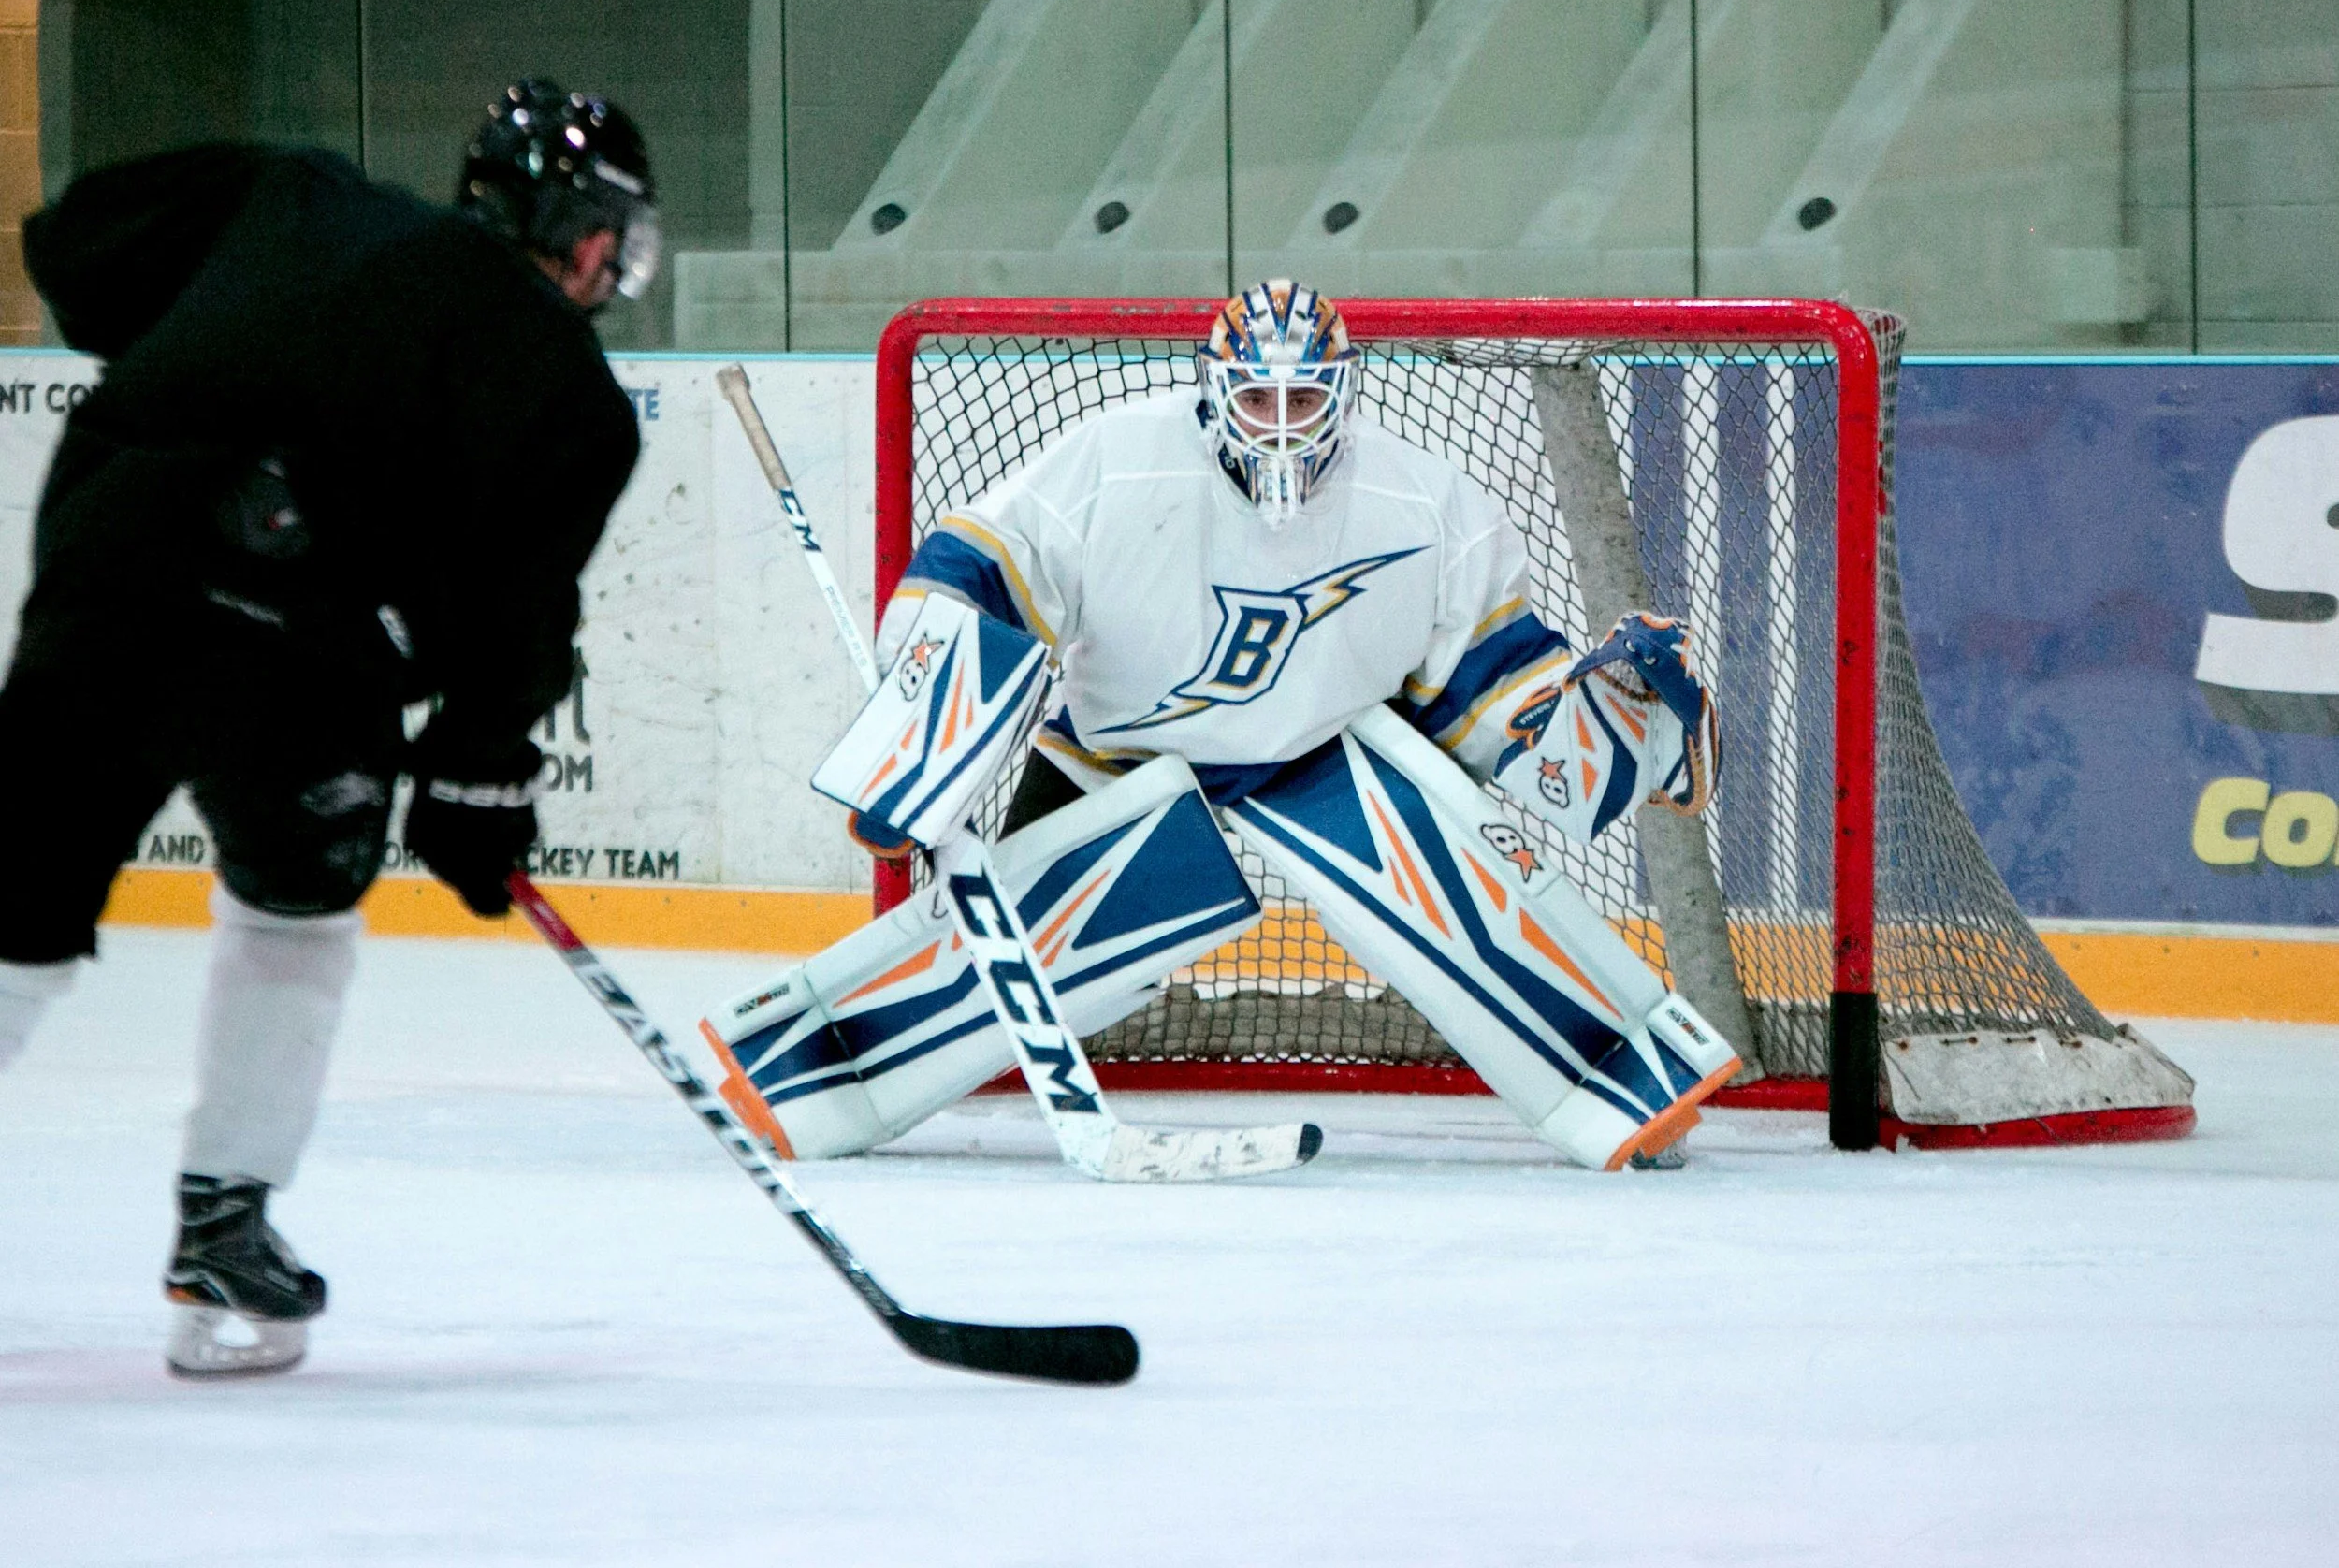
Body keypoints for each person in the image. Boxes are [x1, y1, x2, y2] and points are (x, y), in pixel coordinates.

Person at [713, 282, 1734, 1176]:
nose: (1281, 425)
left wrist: (1615, 728)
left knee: (1461, 900)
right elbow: (986, 564)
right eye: (1258, 398)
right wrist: (919, 734)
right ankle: (815, 1060)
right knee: (1019, 943)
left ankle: (1617, 1070)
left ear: (1345, 393)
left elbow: (1488, 689)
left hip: (1317, 753)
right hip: (1119, 745)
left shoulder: (1424, 501)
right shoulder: (1117, 460)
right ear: (1213, 390)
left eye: (1303, 399)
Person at [0, 80, 654, 1375]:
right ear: (588, 238)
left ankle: (223, 1230)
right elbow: (520, 623)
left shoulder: (296, 193)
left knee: (9, 903)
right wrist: (478, 785)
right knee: (295, 913)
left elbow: (73, 245)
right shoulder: (575, 396)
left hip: (120, 564)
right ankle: (225, 1231)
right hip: (307, 653)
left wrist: (210, 348)